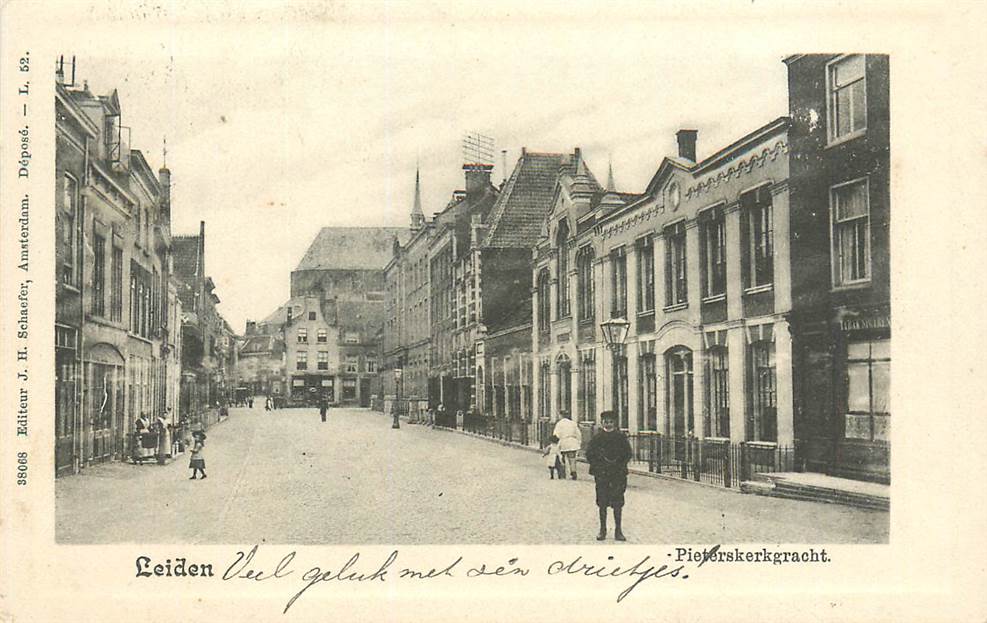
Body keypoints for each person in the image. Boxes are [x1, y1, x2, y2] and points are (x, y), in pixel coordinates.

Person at [586, 411, 632, 541]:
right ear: (602, 423)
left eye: (611, 421)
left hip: (618, 473)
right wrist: (598, 466)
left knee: (617, 502)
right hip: (602, 474)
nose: (608, 424)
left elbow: (627, 453)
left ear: (614, 423)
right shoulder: (597, 438)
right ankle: (603, 530)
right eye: (606, 422)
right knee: (602, 502)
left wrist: (620, 464)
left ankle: (618, 530)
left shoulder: (621, 437)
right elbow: (590, 454)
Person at [552, 411, 582, 480]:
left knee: (562, 458)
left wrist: (555, 444)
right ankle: (573, 472)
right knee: (572, 458)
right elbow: (578, 434)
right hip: (572, 441)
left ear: (561, 416)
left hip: (563, 442)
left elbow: (556, 435)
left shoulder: (559, 424)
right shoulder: (573, 423)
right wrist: (578, 442)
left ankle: (562, 474)